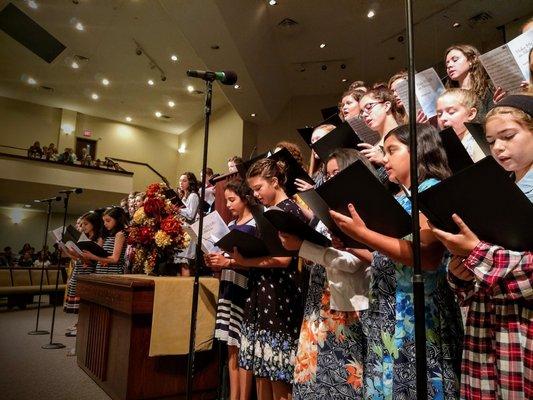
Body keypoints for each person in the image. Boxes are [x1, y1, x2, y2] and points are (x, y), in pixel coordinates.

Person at [330, 124, 463, 399]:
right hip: (389, 307)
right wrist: (355, 243)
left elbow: (425, 256)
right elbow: (388, 258)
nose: (385, 160)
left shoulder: (429, 190)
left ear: (419, 151)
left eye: (392, 151)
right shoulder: (399, 196)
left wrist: (364, 234)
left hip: (416, 311)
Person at [430, 95, 533, 400]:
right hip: (488, 329)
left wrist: (476, 253)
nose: (499, 148)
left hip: (523, 329)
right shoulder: (493, 190)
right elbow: (478, 266)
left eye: (508, 136)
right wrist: (460, 271)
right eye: (491, 141)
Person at [278, 149, 373, 399]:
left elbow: (354, 262)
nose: (331, 179)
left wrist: (302, 248)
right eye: (328, 174)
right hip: (318, 300)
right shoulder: (327, 207)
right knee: (313, 379)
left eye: (337, 173)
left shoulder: (362, 208)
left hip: (345, 307)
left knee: (341, 380)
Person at [233, 158, 309, 400]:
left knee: (279, 375)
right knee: (265, 370)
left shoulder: (289, 209)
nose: (256, 195)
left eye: (258, 188)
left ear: (275, 182)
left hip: (281, 297)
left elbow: (285, 259)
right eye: (253, 190)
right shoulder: (270, 211)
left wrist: (246, 262)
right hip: (264, 293)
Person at [204, 179, 257, 400]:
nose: (229, 205)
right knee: (231, 349)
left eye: (232, 200)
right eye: (226, 201)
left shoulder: (254, 225)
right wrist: (215, 262)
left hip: (242, 291)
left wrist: (229, 262)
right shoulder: (232, 226)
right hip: (227, 287)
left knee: (241, 349)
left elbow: (254, 262)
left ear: (245, 199)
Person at [63, 211, 103, 317]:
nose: (83, 226)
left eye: (86, 224)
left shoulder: (99, 239)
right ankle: (77, 324)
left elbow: (94, 260)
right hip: (80, 268)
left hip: (89, 270)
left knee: (84, 301)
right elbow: (78, 257)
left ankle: (80, 325)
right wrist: (68, 250)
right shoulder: (84, 238)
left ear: (94, 224)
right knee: (76, 298)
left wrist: (81, 256)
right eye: (82, 224)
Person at [444, 44, 502, 117]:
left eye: (455, 60)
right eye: (447, 63)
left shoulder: (489, 87)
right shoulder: (448, 97)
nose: (449, 65)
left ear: (472, 60)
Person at [436, 88, 486, 161]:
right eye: (439, 114)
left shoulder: (479, 142)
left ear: (471, 114)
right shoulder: (444, 147)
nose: (443, 118)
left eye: (451, 112)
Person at [357, 86, 402, 166]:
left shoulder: (408, 134)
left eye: (368, 107)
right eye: (361, 112)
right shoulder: (373, 149)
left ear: (386, 106)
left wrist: (383, 160)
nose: (364, 115)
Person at [83, 207, 128, 274]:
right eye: (104, 221)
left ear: (117, 220)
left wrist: (94, 257)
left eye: (108, 221)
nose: (105, 224)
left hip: (112, 272)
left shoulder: (120, 234)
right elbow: (107, 256)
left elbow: (115, 259)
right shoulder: (110, 234)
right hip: (104, 271)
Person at [295, 124, 336, 192]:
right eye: (312, 142)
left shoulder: (344, 162)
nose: (314, 145)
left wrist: (314, 191)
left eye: (318, 139)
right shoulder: (317, 174)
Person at [177, 172, 201, 276]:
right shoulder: (183, 197)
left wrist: (178, 209)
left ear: (190, 182)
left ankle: (186, 288)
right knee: (180, 263)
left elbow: (191, 214)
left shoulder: (193, 196)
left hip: (189, 231)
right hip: (182, 230)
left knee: (185, 262)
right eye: (180, 180)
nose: (181, 183)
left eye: (184, 180)